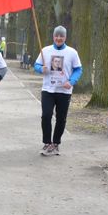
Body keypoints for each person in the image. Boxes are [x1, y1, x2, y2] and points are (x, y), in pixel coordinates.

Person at [33, 25, 82, 156]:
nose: (59, 38)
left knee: (61, 118)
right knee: (46, 115)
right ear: (53, 37)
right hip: (48, 89)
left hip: (64, 90)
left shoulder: (72, 52)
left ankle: (56, 143)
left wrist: (71, 81)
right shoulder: (46, 50)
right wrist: (40, 69)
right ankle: (47, 142)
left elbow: (78, 69)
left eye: (61, 36)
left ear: (65, 37)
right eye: (57, 36)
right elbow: (36, 65)